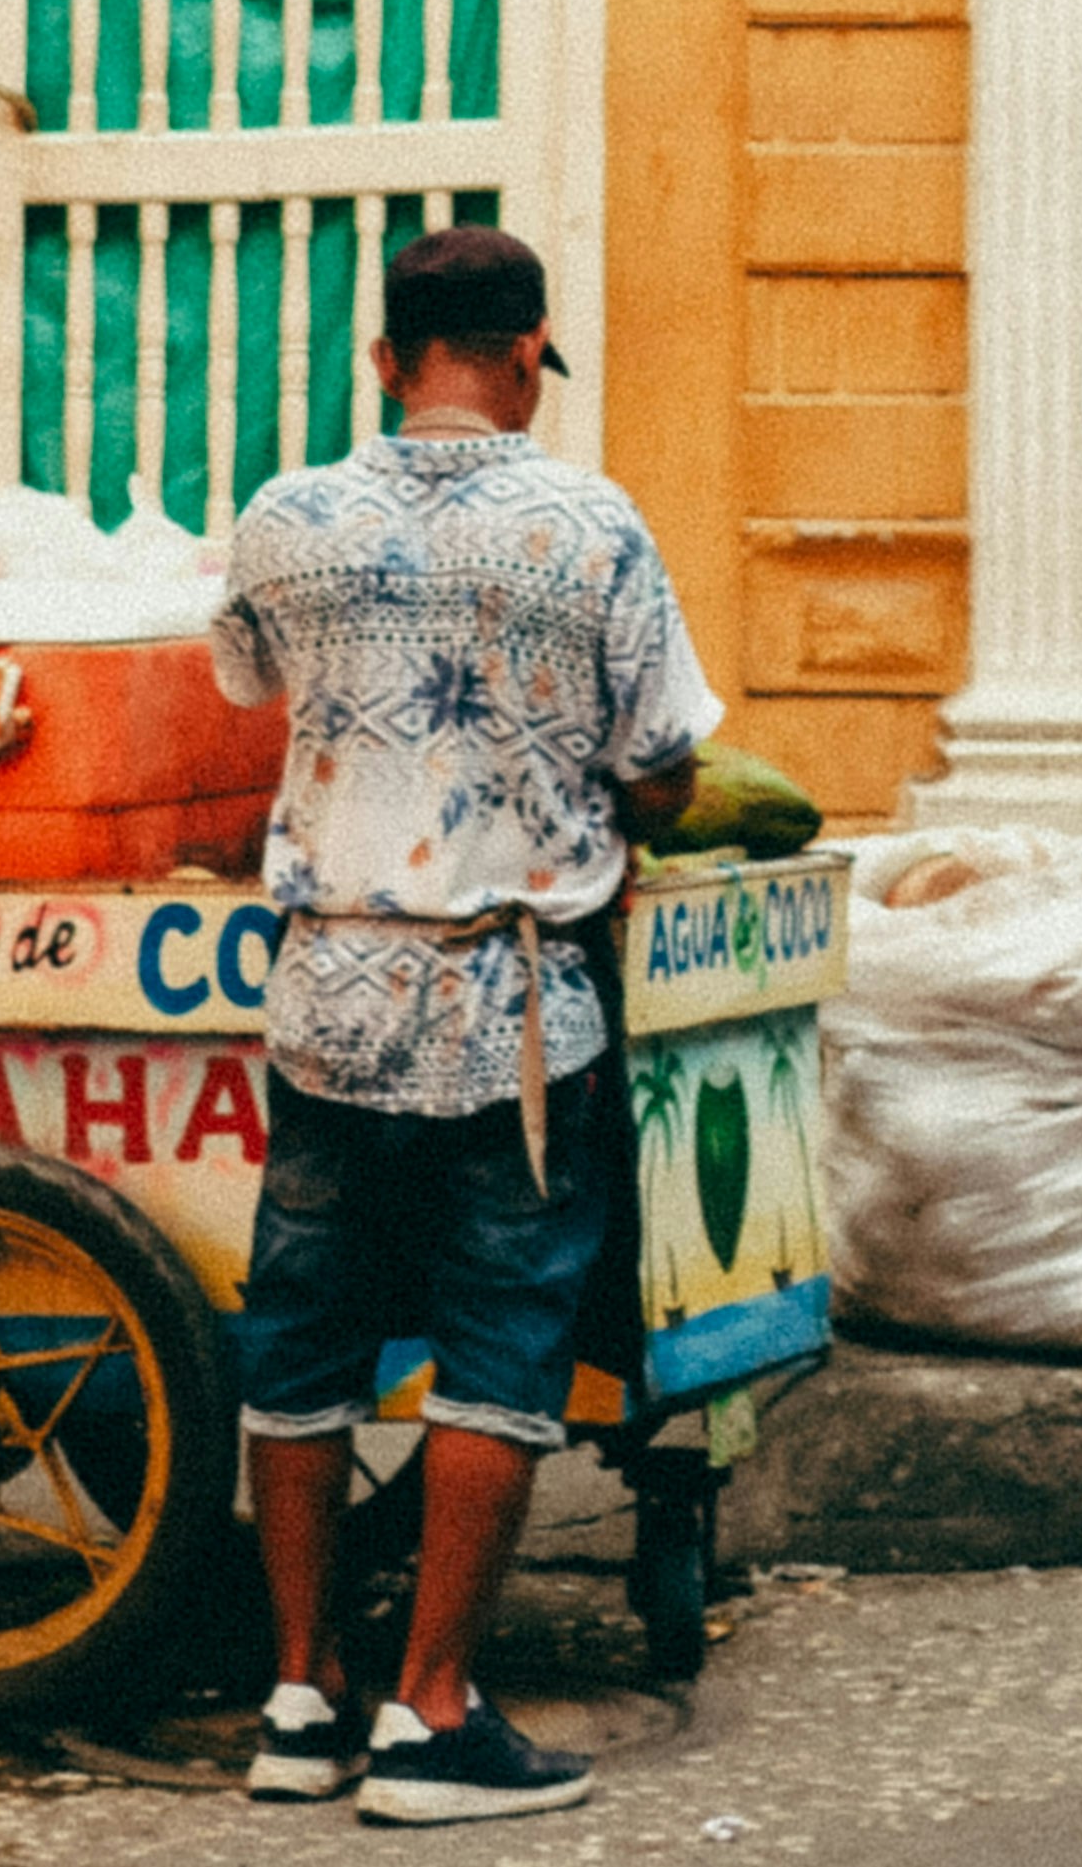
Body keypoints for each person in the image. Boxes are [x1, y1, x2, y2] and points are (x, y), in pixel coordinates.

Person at [209, 223, 717, 1827]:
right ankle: (431, 1715)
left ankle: (300, 1700)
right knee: (497, 1352)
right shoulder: (588, 523)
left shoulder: (283, 517)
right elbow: (661, 763)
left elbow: (245, 687)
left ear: (384, 360)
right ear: (522, 357)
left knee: (301, 1348)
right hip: (512, 1012)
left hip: (326, 998)